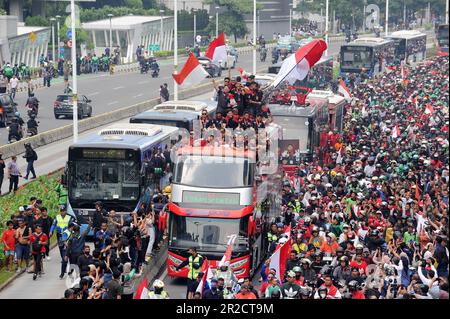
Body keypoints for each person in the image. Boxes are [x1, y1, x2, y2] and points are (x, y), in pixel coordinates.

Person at [49, 206, 74, 279]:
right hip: (60, 235)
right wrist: (51, 231)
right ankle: (63, 262)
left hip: (68, 235)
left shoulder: (69, 218)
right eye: (61, 211)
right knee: (61, 249)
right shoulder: (57, 217)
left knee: (70, 258)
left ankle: (68, 270)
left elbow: (73, 226)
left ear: (65, 211)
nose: (62, 212)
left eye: (63, 211)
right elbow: (53, 225)